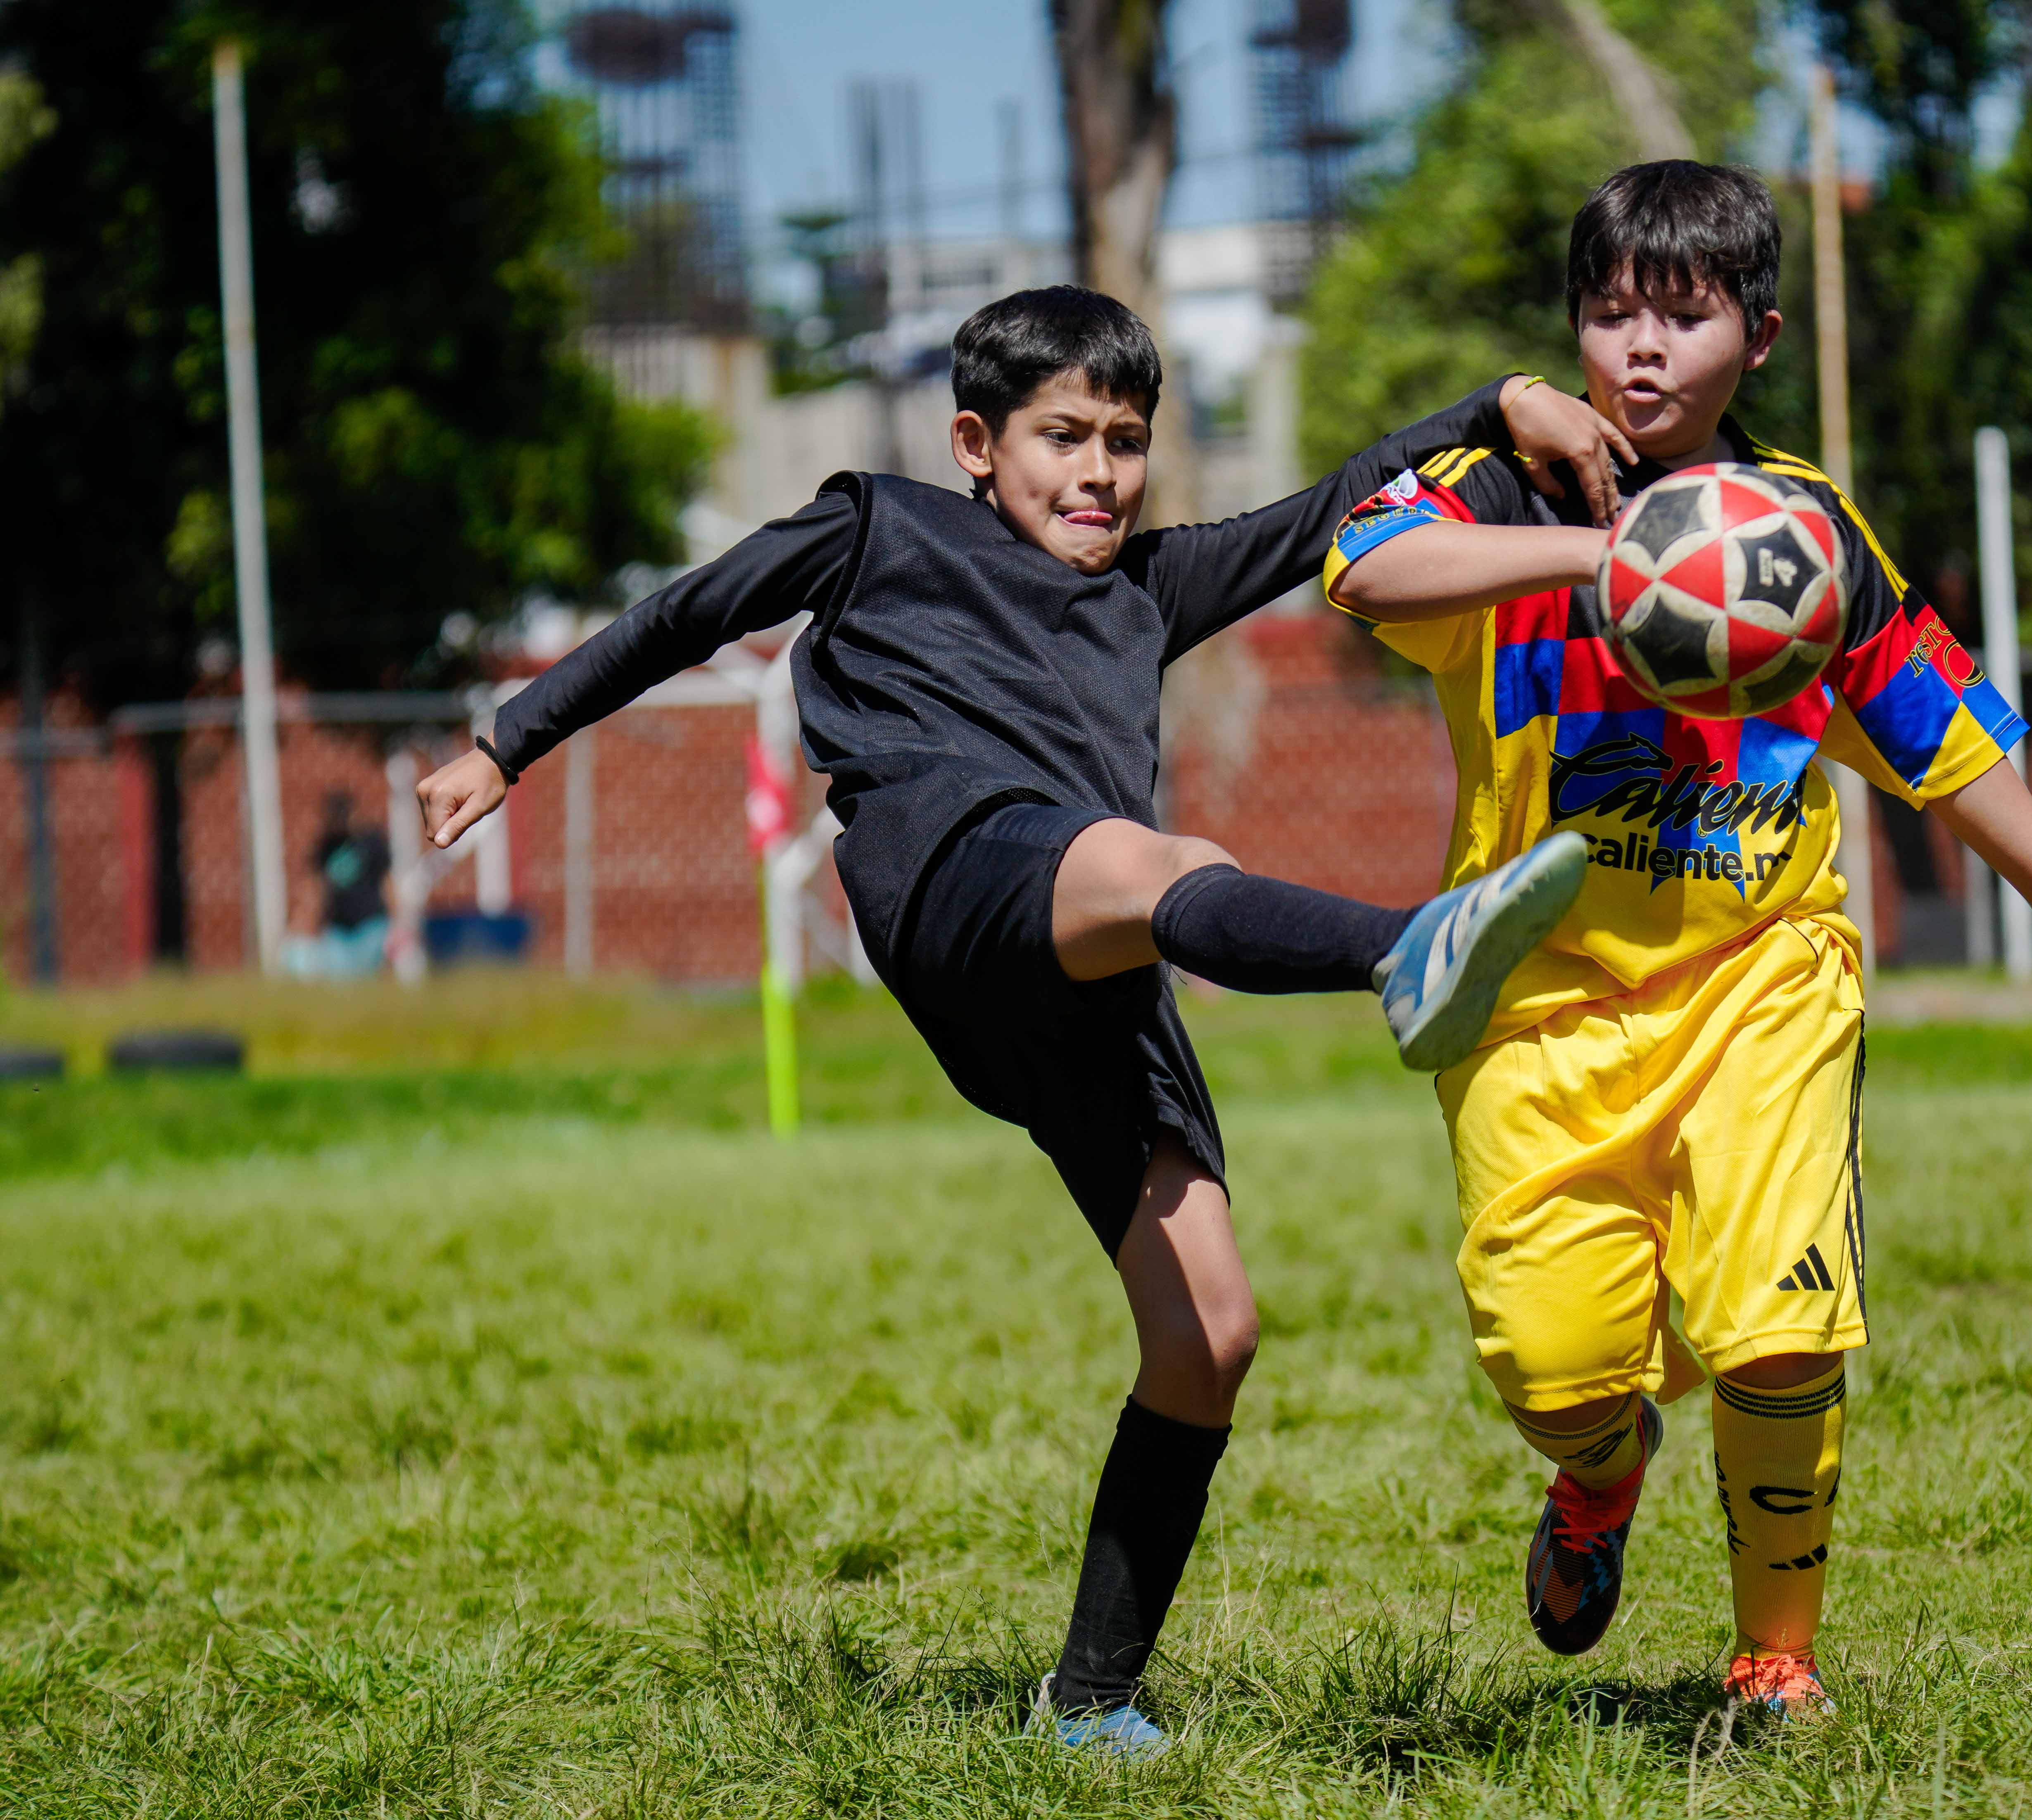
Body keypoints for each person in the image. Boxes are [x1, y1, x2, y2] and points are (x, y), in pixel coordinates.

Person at [412, 287, 1630, 1756]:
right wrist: (506, 739)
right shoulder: (877, 527)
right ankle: (1402, 950)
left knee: (1210, 1333)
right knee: (1155, 858)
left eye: (1124, 440)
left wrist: (1497, 409)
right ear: (975, 443)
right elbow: (689, 612)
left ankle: (1088, 1699)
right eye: (1062, 436)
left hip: (1098, 977)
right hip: (953, 878)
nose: (1097, 472)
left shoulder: (1149, 589)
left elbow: (1330, 507)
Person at [1323, 162, 2032, 1716]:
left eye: (1681, 315)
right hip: (1531, 1012)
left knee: (1777, 1331)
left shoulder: (1805, 533)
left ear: (1760, 336)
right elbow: (1358, 562)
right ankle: (1596, 1477)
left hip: (1761, 978)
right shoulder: (1504, 487)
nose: (1637, 351)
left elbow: (1945, 739)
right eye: (1604, 314)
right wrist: (1613, 561)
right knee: (1553, 1359)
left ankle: (1770, 1655)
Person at [284, 790, 392, 978]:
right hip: (338, 931)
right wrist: (302, 925)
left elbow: (388, 883)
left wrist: (399, 924)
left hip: (372, 926)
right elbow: (316, 890)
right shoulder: (326, 847)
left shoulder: (372, 842)